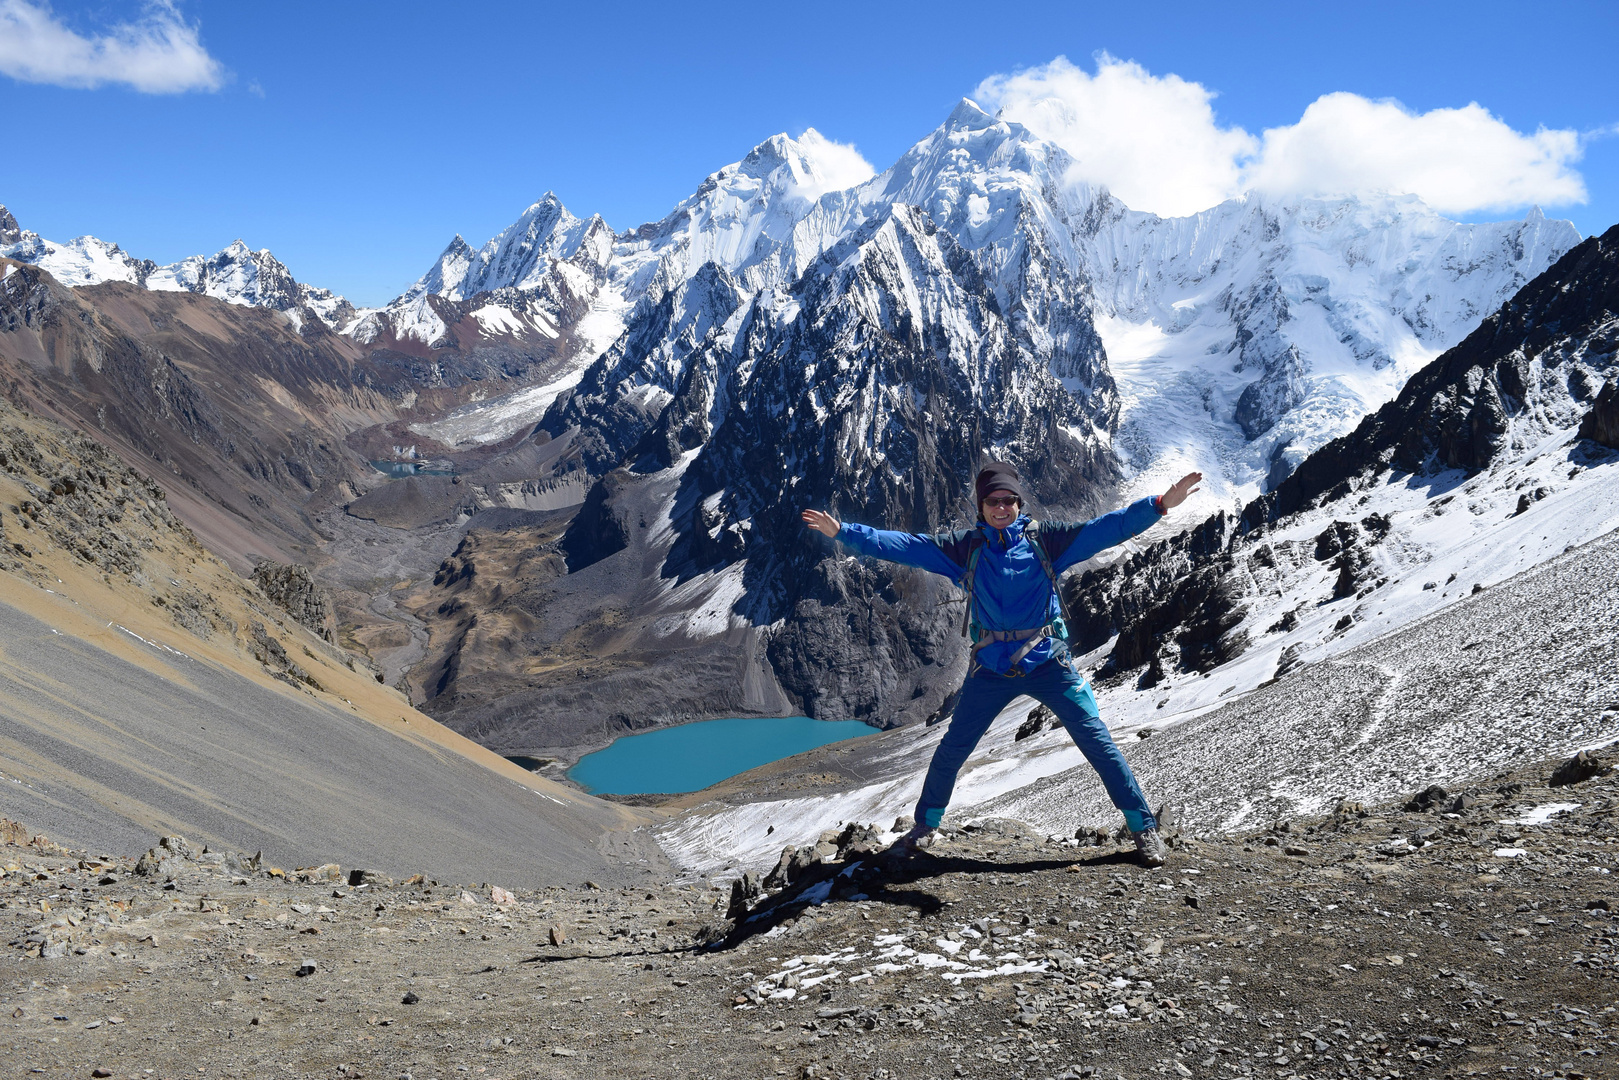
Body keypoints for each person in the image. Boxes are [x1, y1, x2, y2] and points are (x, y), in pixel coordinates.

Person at [801, 462, 1201, 867]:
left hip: (1048, 662)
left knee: (1096, 740)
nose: (1001, 507)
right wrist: (845, 533)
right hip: (991, 667)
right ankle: (925, 825)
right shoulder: (966, 548)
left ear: (1018, 503)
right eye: (993, 500)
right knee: (953, 748)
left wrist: (1159, 505)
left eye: (1009, 500)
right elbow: (907, 546)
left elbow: (1108, 528)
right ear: (981, 505)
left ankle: (1143, 826)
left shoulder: (1047, 541)